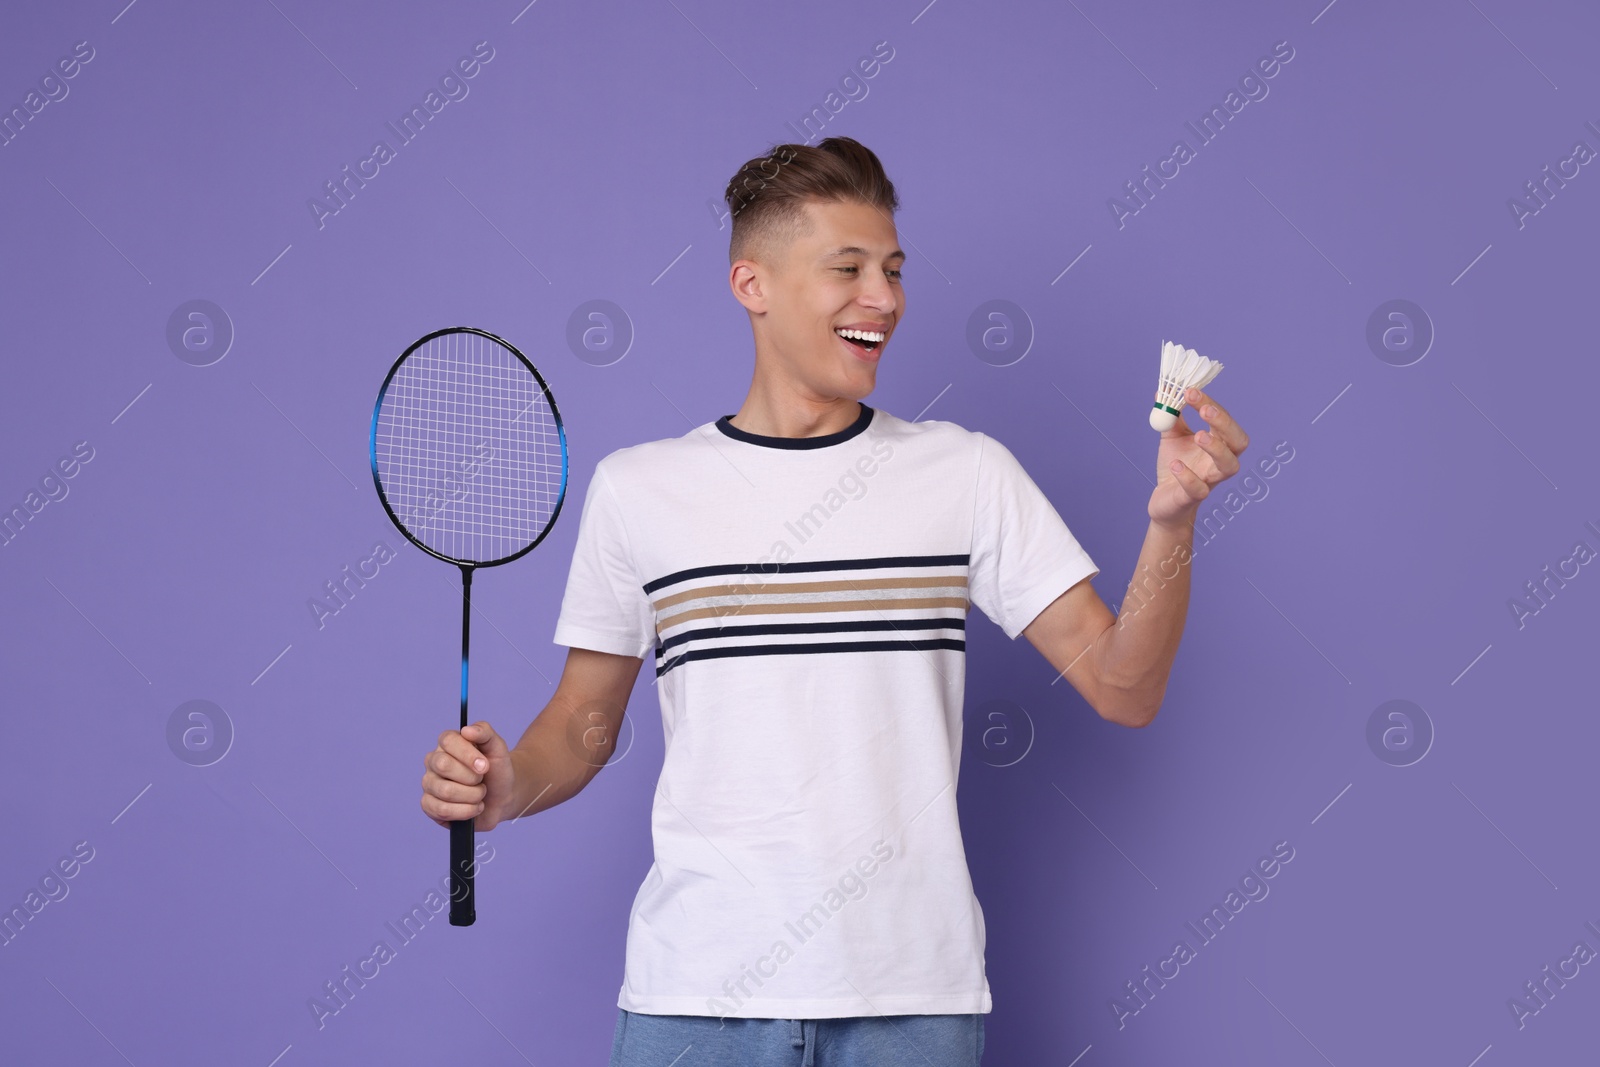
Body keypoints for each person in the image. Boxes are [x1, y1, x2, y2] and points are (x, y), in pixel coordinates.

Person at [419, 136, 1250, 1066]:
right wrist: (506, 789)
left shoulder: (965, 472)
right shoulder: (639, 488)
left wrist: (1171, 522)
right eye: (847, 268)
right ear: (752, 285)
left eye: (893, 271)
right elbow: (584, 720)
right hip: (694, 1000)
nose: (885, 300)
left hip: (913, 1002)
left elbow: (1124, 689)